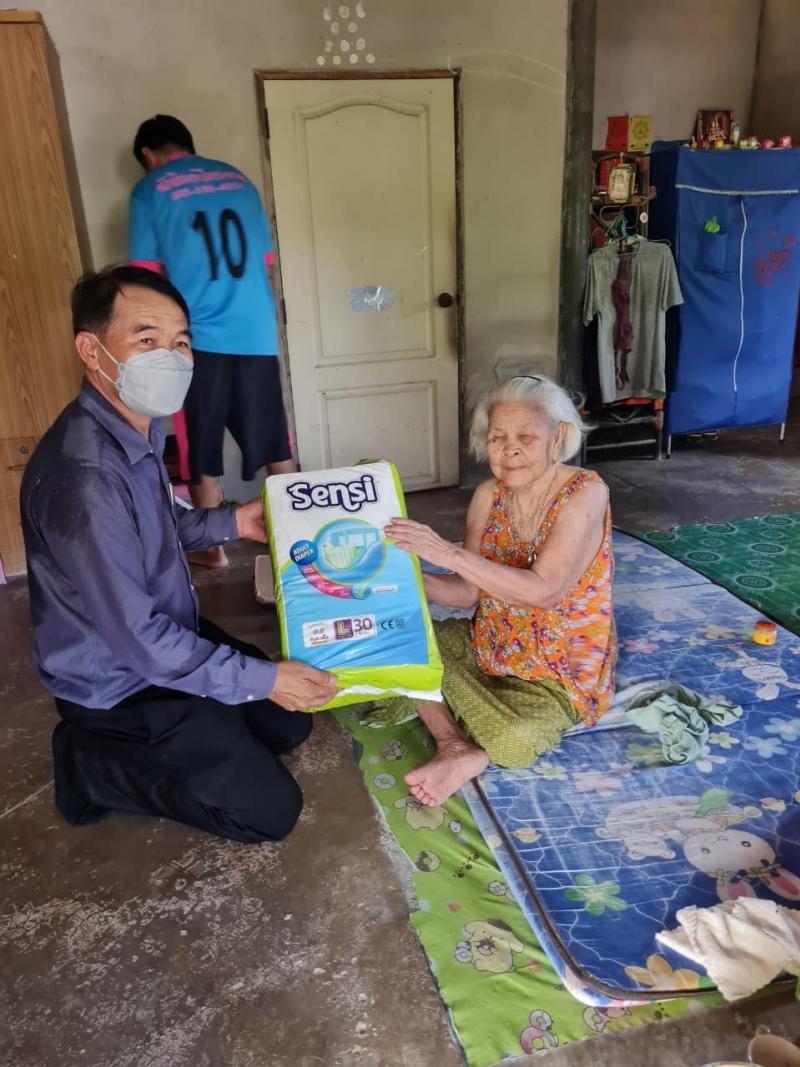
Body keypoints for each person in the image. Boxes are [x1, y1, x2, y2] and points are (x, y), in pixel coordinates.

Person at [20, 265, 338, 843]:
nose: (169, 358)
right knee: (270, 812)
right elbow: (139, 641)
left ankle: (208, 717)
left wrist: (233, 521)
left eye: (181, 342)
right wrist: (263, 678)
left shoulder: (136, 425)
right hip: (120, 682)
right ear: (91, 350)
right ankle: (91, 766)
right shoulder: (84, 475)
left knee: (289, 726)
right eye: (146, 340)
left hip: (165, 631)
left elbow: (158, 526)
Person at [381, 375, 617, 806]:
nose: (510, 450)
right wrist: (409, 582)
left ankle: (464, 726)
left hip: (557, 669)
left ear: (558, 437)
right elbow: (468, 593)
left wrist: (445, 552)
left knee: (515, 738)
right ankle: (453, 744)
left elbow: (543, 592)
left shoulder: (586, 492)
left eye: (526, 437)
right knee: (394, 639)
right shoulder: (488, 495)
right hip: (490, 644)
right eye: (497, 438)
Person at [128, 114, 295, 567]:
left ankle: (212, 549)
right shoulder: (239, 181)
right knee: (277, 442)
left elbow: (144, 278)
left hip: (197, 338)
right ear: (188, 145)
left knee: (198, 446)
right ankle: (295, 533)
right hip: (256, 333)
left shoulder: (150, 189)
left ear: (147, 155)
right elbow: (264, 262)